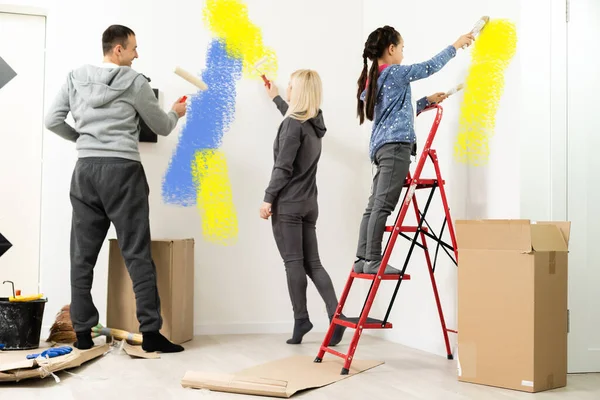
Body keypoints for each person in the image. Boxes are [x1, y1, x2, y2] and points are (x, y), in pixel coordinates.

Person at [44, 24, 187, 353]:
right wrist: (175, 113)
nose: (138, 54)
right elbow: (162, 126)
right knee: (136, 252)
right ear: (118, 49)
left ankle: (81, 333)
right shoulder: (134, 81)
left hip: (85, 172)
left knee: (81, 257)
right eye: (134, 48)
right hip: (123, 171)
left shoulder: (75, 77)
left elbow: (53, 119)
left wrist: (81, 139)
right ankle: (151, 333)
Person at [353, 26, 474, 275]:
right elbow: (428, 67)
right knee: (383, 206)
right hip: (396, 149)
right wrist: (456, 45)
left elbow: (394, 114)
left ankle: (362, 259)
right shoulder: (396, 73)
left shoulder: (376, 78)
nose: (403, 54)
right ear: (391, 49)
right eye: (402, 48)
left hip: (381, 148)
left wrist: (425, 102)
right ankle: (374, 260)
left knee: (373, 205)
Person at [260, 70, 346, 346]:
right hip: (310, 204)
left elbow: (283, 167)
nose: (288, 87)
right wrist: (274, 97)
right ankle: (337, 316)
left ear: (299, 91)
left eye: (291, 85)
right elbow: (293, 118)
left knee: (293, 263)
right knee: (314, 263)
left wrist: (268, 198)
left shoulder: (292, 126)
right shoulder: (314, 124)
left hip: (289, 204)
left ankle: (301, 319)